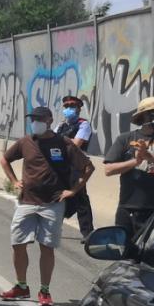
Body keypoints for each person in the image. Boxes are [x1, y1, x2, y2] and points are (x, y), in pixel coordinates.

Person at [0, 106, 92, 306]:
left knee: (47, 247)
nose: (36, 122)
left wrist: (73, 190)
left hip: (53, 203)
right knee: (18, 243)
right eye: (33, 119)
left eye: (39, 119)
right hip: (27, 201)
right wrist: (14, 181)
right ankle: (21, 286)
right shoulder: (26, 141)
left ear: (50, 120)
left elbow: (87, 167)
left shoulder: (64, 142)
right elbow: (4, 159)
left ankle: (44, 290)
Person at [102, 96, 154, 243]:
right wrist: (136, 161)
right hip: (128, 209)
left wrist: (150, 157)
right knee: (125, 252)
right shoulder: (125, 139)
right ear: (147, 116)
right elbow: (108, 170)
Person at [56, 94, 96, 237]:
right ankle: (54, 227)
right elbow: (51, 142)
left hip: (77, 166)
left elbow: (76, 144)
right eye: (66, 106)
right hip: (60, 165)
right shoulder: (61, 125)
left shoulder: (83, 124)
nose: (69, 109)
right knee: (57, 196)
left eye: (72, 106)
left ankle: (88, 234)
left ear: (79, 109)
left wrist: (60, 142)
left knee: (80, 199)